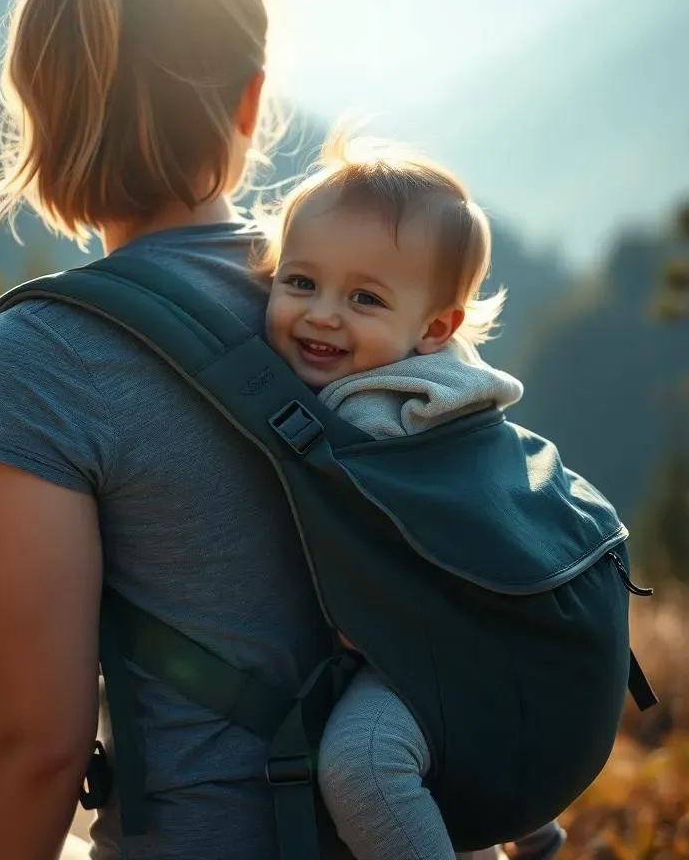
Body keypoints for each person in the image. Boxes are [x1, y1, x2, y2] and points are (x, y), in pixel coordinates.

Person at [0, 0, 343, 860]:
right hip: (418, 832)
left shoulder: (35, 359)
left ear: (44, 112)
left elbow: (39, 744)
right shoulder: (350, 307)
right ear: (249, 102)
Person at [257, 132, 568, 860]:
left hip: (448, 657)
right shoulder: (453, 379)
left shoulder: (376, 422)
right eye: (299, 282)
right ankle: (535, 826)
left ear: (434, 328)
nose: (322, 315)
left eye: (364, 297)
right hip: (510, 650)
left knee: (361, 764)